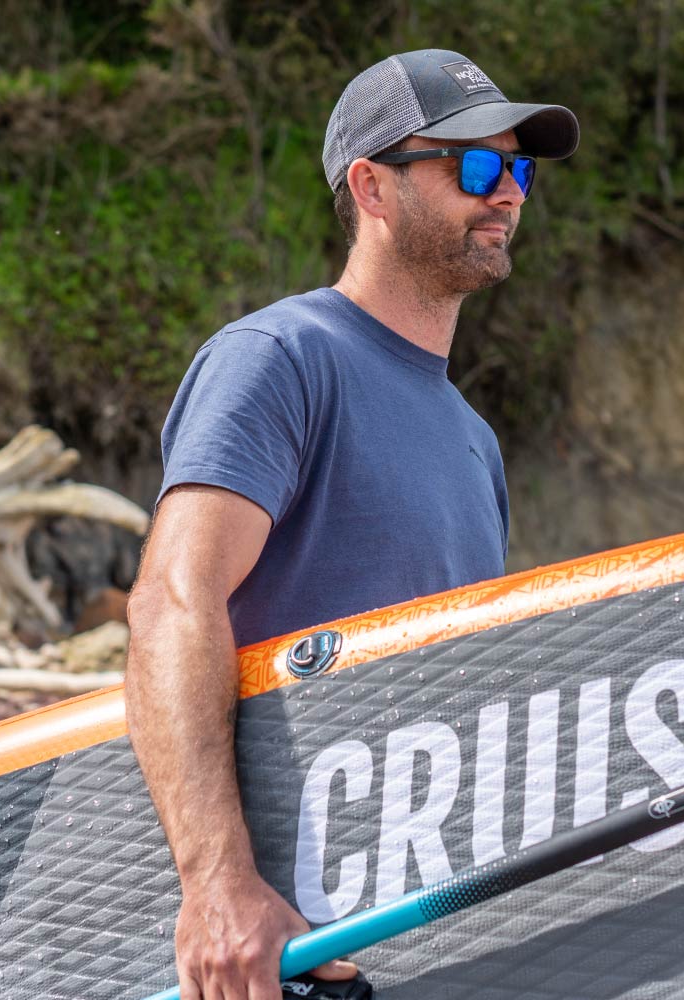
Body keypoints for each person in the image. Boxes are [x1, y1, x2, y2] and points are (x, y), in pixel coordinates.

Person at [125, 48, 579, 1000]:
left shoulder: (474, 442)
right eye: (475, 167)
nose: (508, 196)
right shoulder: (280, 359)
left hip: (417, 927)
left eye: (520, 170)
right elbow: (173, 602)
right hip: (276, 937)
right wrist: (216, 883)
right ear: (371, 186)